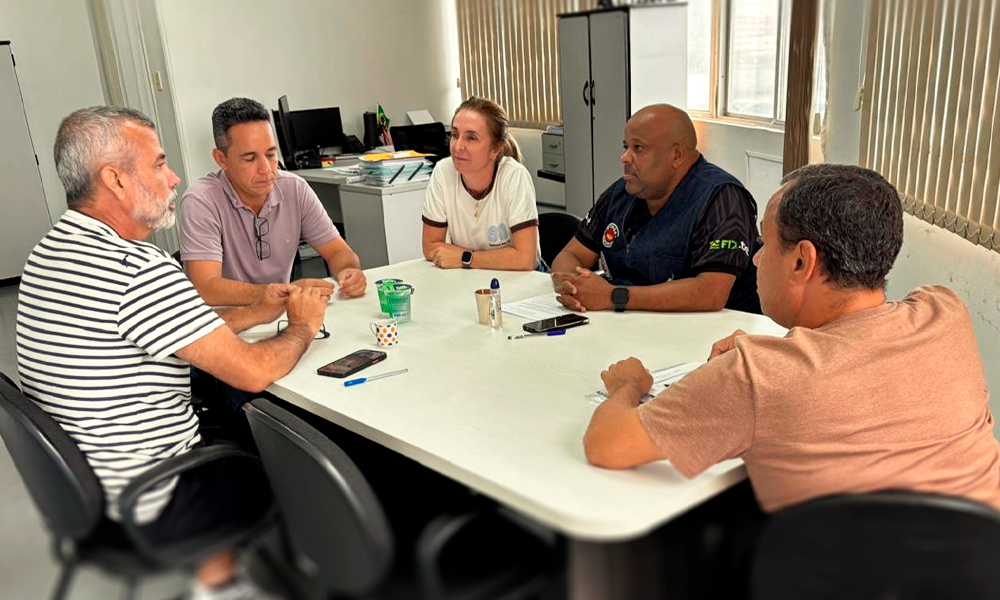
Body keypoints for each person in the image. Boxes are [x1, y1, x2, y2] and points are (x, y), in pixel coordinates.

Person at [17, 106, 329, 600]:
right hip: (155, 501)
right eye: (159, 163)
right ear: (115, 180)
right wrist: (302, 326)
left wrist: (255, 312)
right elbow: (253, 371)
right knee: (298, 453)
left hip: (83, 493)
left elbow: (167, 330)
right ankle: (234, 583)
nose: (174, 177)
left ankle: (217, 578)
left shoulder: (52, 251)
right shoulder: (138, 268)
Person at [583, 164, 1000, 516]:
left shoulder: (757, 376)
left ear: (801, 261)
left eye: (765, 243)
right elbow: (858, 356)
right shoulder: (944, 312)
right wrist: (773, 354)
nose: (755, 258)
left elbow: (607, 444)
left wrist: (627, 386)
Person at [551, 104, 761, 313]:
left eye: (638, 148)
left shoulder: (722, 198)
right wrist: (575, 287)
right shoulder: (622, 191)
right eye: (625, 147)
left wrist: (614, 296)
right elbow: (570, 254)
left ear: (676, 155)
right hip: (629, 322)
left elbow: (711, 293)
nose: (624, 157)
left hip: (711, 330)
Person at [179, 97, 365, 306]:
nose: (266, 169)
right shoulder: (201, 202)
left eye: (270, 154)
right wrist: (282, 293)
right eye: (250, 159)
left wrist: (349, 272)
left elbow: (339, 252)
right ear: (221, 159)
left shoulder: (295, 188)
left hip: (281, 313)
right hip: (227, 318)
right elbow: (206, 288)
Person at [421, 97, 541, 271]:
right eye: (455, 135)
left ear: (495, 149)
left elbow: (525, 259)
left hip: (521, 278)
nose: (458, 146)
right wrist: (484, 259)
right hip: (470, 275)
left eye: (471, 138)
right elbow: (430, 246)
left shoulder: (514, 176)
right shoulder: (443, 171)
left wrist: (464, 257)